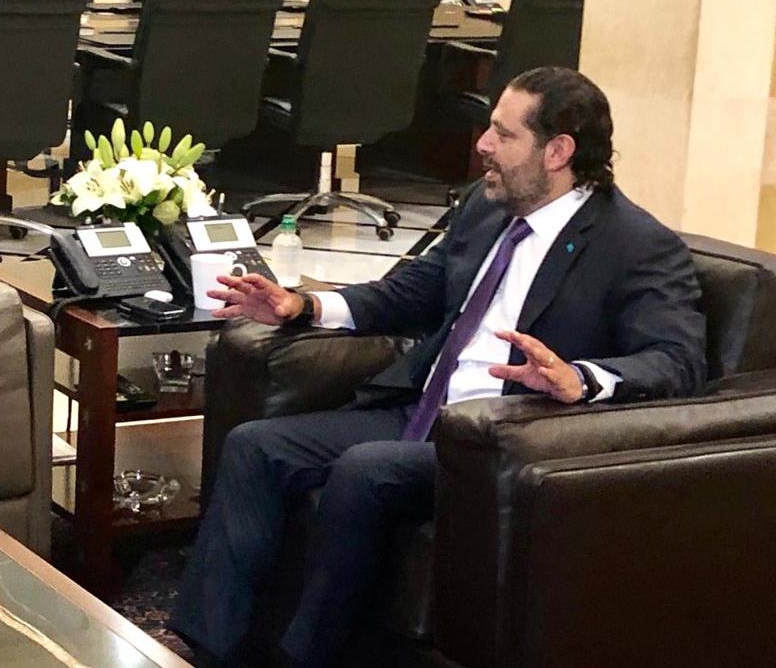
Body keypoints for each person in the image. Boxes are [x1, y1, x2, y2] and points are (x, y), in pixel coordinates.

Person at [172, 67, 707, 667]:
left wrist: (578, 378)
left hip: (500, 438)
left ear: (558, 152)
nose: (483, 144)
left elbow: (677, 360)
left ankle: (305, 659)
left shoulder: (635, 244)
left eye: (503, 134)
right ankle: (206, 649)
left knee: (365, 469)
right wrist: (306, 306)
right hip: (421, 409)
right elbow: (412, 292)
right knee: (255, 446)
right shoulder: (485, 206)